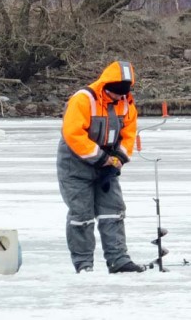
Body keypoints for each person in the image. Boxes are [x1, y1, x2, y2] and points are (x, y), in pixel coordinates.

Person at [57, 60, 146, 274]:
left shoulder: (126, 103)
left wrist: (119, 159)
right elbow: (73, 133)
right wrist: (100, 158)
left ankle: (118, 260)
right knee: (81, 215)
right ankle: (84, 264)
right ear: (106, 85)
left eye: (122, 94)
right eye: (115, 93)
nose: (118, 97)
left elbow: (129, 134)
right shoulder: (84, 99)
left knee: (113, 211)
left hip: (106, 164)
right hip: (76, 164)